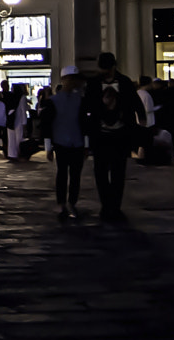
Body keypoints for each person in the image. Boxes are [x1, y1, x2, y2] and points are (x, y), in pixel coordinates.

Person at [88, 53, 147, 218]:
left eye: (106, 68)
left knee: (118, 172)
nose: (104, 71)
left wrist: (141, 121)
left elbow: (136, 103)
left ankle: (115, 206)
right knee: (100, 172)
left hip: (120, 135)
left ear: (113, 67)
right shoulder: (93, 83)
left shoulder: (124, 82)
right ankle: (106, 205)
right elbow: (87, 105)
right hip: (100, 135)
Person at [48, 66, 91, 217]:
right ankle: (65, 202)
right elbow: (48, 125)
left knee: (72, 174)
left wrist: (86, 144)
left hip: (71, 142)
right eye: (71, 78)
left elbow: (84, 124)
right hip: (67, 142)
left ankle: (69, 202)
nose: (74, 82)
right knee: (66, 174)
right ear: (64, 79)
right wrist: (48, 147)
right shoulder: (58, 101)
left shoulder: (76, 100)